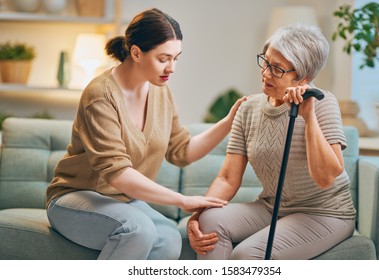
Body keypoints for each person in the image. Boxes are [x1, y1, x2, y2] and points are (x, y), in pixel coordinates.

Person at [46, 8, 247, 260]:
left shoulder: (160, 92)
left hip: (123, 202)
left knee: (169, 238)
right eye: (164, 58)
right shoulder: (100, 95)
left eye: (176, 58)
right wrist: (182, 200)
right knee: (137, 230)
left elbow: (182, 151)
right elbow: (116, 172)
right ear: (136, 53)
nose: (171, 68)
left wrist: (228, 122)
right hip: (74, 198)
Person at [187, 23, 356, 260]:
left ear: (303, 77)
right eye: (265, 62)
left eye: (277, 69)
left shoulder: (323, 103)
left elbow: (326, 177)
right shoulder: (248, 108)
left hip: (323, 213)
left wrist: (308, 116)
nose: (266, 73)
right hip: (271, 207)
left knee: (247, 254)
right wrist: (198, 217)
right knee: (211, 221)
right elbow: (227, 178)